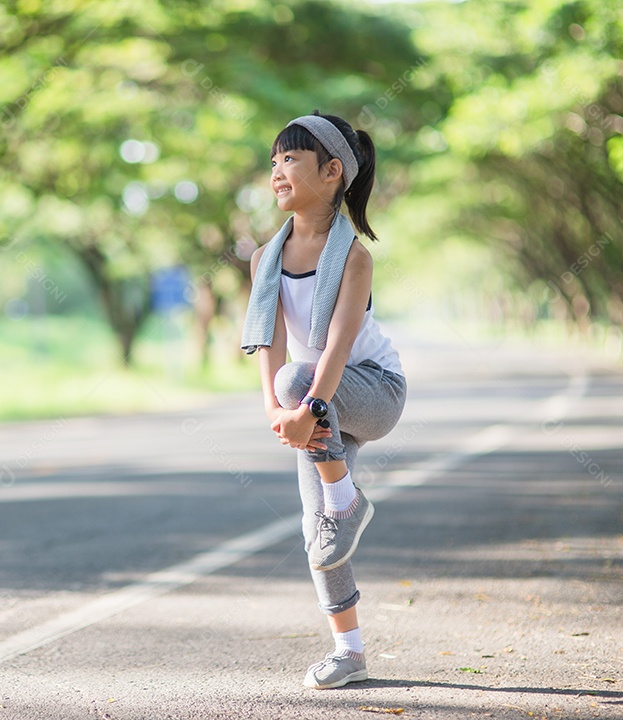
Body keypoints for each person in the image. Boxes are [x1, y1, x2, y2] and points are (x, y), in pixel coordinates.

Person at [241, 112, 407, 689]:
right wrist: (275, 414)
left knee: (297, 379)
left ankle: (345, 497)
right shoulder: (265, 258)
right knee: (319, 533)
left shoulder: (354, 256)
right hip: (319, 399)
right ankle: (350, 652)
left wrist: (303, 408)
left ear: (332, 171)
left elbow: (336, 347)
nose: (277, 171)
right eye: (273, 161)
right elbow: (268, 341)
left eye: (290, 159)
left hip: (374, 390)